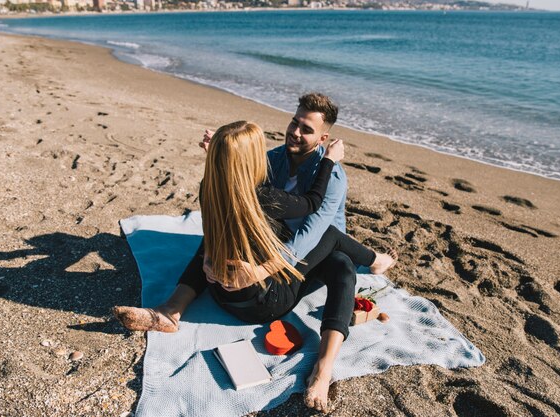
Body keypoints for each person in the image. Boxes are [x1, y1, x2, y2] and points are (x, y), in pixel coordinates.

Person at [114, 121, 396, 412]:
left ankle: (171, 311)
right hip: (264, 304)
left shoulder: (210, 188)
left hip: (220, 290)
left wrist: (221, 155)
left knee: (217, 234)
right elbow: (312, 203)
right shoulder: (266, 198)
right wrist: (328, 161)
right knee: (334, 246)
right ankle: (324, 367)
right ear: (251, 159)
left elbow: (219, 217)